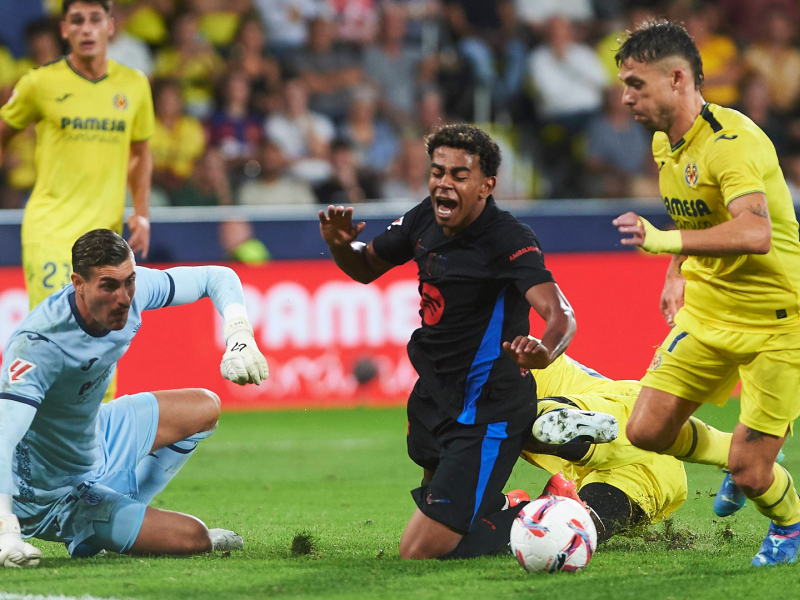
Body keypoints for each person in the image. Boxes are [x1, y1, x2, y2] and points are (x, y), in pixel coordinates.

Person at [319, 123, 577, 559]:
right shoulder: (424, 218)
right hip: (434, 395)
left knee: (419, 551)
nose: (443, 183)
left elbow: (561, 314)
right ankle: (497, 505)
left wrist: (544, 350)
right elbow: (365, 267)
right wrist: (340, 246)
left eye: (459, 175)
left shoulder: (508, 239)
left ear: (486, 185)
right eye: (438, 172)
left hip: (487, 408)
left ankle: (556, 511)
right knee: (446, 508)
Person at [613, 20, 800, 566]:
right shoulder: (665, 143)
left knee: (753, 471)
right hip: (709, 311)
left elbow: (754, 232)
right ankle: (740, 459)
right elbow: (701, 216)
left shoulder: (731, 144)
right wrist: (677, 269)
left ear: (676, 79)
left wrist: (661, 240)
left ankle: (788, 521)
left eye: (635, 84)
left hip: (776, 323)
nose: (625, 97)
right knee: (645, 430)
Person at [0, 229, 269, 568]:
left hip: (99, 434)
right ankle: (87, 522)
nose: (124, 297)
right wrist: (6, 529)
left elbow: (217, 276)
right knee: (194, 539)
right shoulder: (39, 344)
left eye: (129, 281)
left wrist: (239, 336)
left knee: (205, 406)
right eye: (109, 286)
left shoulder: (132, 290)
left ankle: (126, 503)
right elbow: (3, 438)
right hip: (47, 489)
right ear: (78, 283)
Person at [0, 0, 153, 310]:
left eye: (95, 19)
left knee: (100, 341)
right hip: (50, 232)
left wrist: (141, 212)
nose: (86, 28)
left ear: (109, 26)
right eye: (77, 20)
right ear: (64, 29)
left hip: (104, 237)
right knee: (54, 332)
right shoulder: (40, 83)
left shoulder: (134, 85)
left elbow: (139, 152)